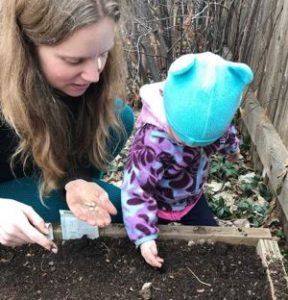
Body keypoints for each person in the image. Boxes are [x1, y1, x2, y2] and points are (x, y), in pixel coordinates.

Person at [0, 0, 134, 253]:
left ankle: (75, 184)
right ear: (28, 47)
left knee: (119, 117)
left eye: (103, 53)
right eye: (74, 60)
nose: (94, 75)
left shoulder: (90, 77)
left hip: (34, 156)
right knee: (119, 204)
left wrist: (73, 179)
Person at [121, 52, 254, 268]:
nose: (192, 146)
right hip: (159, 204)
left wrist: (233, 150)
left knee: (212, 241)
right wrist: (144, 236)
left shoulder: (217, 122)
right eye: (182, 137)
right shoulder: (151, 143)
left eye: (203, 142)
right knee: (151, 249)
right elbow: (136, 190)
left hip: (192, 201)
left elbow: (227, 134)